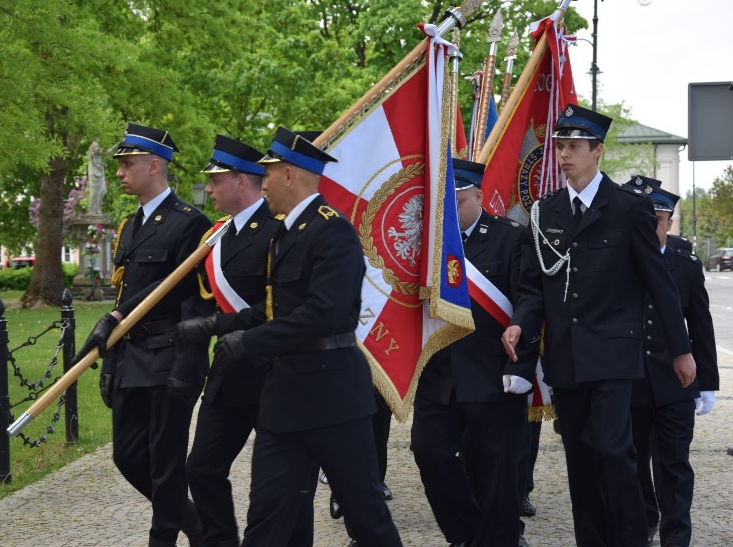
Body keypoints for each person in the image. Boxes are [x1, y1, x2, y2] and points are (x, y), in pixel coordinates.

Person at [183, 126, 403, 547]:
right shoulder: (283, 234)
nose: (261, 182)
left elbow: (324, 314)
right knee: (266, 517)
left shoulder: (333, 231)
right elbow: (272, 310)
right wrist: (214, 326)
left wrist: (250, 343)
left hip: (334, 397)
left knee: (365, 515)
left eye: (267, 173)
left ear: (289, 174)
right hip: (284, 399)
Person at [501, 104, 697, 547]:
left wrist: (682, 351)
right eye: (561, 147)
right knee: (581, 458)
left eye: (573, 147)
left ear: (597, 151)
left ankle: (631, 537)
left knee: (612, 448)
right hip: (567, 359)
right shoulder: (545, 212)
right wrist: (519, 324)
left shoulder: (629, 209)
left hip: (614, 356)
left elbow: (660, 284)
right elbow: (533, 289)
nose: (564, 155)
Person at [72, 123, 212, 547]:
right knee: (128, 455)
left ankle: (163, 539)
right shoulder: (130, 225)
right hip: (133, 356)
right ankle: (200, 526)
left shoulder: (191, 223)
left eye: (127, 164)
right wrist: (112, 361)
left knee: (166, 461)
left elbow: (184, 292)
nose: (119, 173)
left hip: (170, 355)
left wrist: (116, 318)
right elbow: (126, 291)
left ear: (155, 166)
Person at [174, 135, 312, 547]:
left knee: (284, 484)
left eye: (216, 181)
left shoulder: (279, 229)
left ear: (242, 181)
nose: (209, 189)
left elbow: (282, 303)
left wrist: (216, 325)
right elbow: (199, 299)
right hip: (230, 372)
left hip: (275, 371)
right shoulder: (215, 237)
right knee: (201, 468)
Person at [411, 159, 536, 547]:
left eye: (460, 202)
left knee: (495, 472)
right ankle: (466, 533)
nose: (451, 212)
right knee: (429, 453)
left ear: (479, 196)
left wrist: (523, 348)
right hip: (440, 374)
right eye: (445, 204)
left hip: (492, 371)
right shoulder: (428, 242)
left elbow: (530, 297)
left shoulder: (509, 237)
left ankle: (498, 539)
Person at [624, 176, 719, 547]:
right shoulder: (619, 256)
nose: (648, 227)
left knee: (674, 465)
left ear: (668, 222)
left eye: (656, 219)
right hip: (628, 378)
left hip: (675, 381)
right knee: (631, 461)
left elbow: (700, 322)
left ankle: (676, 535)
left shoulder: (683, 260)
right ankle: (643, 519)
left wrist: (708, 381)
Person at [87, 138, 107, 214]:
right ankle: (92, 210)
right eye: (96, 146)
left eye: (98, 146)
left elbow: (108, 152)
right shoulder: (91, 155)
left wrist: (118, 144)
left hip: (100, 174)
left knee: (103, 191)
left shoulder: (98, 153)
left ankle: (97, 208)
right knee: (94, 193)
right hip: (94, 175)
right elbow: (94, 162)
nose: (98, 148)